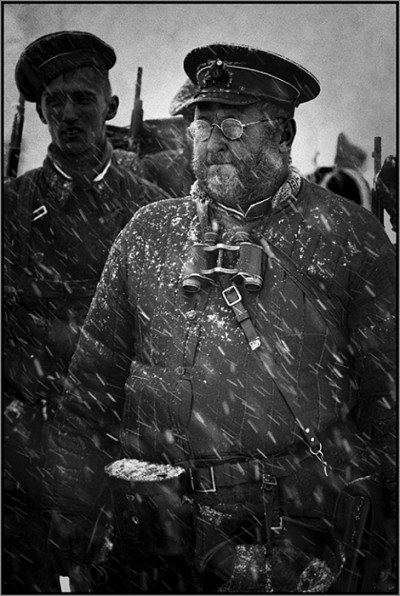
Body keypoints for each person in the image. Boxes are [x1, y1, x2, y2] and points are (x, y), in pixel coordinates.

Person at [46, 43, 397, 593]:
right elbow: (91, 385)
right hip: (150, 538)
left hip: (288, 542)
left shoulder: (349, 237)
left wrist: (378, 539)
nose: (213, 143)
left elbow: (389, 403)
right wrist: (71, 503)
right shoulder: (147, 233)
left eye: (233, 126)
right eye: (202, 127)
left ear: (284, 134)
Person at [3, 30, 169, 594]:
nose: (69, 114)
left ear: (110, 107)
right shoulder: (11, 208)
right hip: (27, 450)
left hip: (125, 447)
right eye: (55, 102)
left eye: (83, 99)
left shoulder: (150, 210)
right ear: (41, 113)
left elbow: (174, 336)